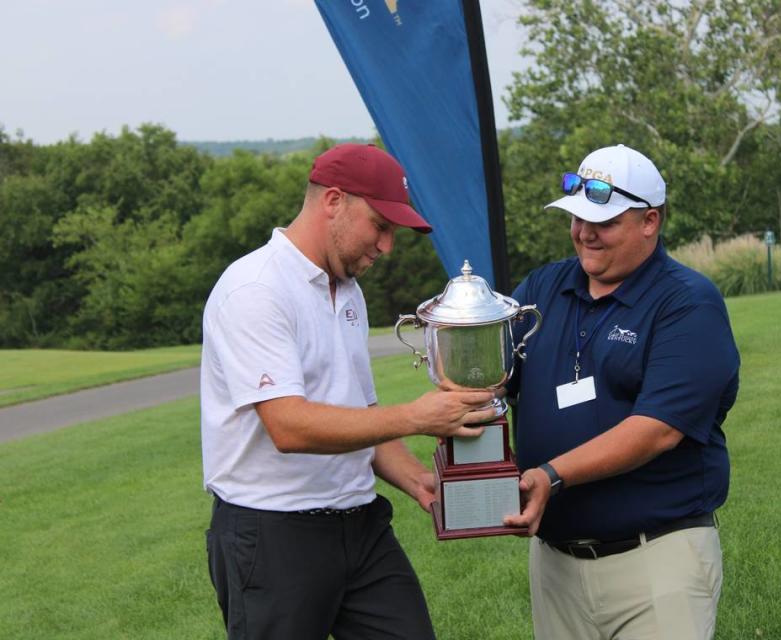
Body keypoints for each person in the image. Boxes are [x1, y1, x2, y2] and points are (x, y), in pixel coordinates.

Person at [200, 143, 495, 640]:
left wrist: (418, 480)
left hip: (361, 527)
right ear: (333, 201)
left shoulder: (349, 291)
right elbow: (289, 425)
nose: (387, 246)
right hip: (272, 534)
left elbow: (362, 414)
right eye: (380, 226)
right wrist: (418, 417)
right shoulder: (255, 289)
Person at [503, 144, 740, 640]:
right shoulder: (542, 287)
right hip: (556, 562)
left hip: (657, 560)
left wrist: (552, 475)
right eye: (576, 218)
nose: (584, 232)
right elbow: (490, 383)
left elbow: (656, 431)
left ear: (649, 221)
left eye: (603, 222)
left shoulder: (688, 302)